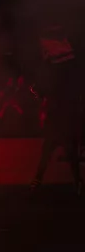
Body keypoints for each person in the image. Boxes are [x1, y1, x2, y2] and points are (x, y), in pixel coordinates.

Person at [30, 20, 83, 193]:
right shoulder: (67, 86)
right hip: (63, 124)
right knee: (68, 155)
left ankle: (38, 182)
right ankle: (77, 184)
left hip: (58, 124)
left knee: (49, 155)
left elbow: (41, 94)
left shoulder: (58, 86)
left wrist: (35, 91)